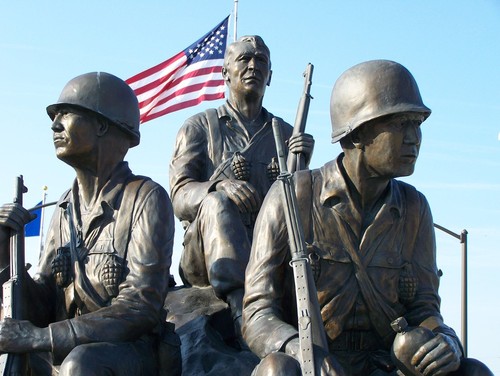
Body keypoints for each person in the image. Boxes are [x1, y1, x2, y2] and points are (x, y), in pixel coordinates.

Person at [242, 60, 493, 375]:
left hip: (386, 365)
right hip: (316, 364)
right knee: (276, 370)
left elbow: (424, 309)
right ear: (357, 132)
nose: (414, 137)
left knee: (472, 371)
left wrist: (446, 341)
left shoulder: (415, 208)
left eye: (417, 123)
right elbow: (257, 312)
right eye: (400, 124)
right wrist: (301, 349)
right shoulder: (292, 197)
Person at [0, 72, 180, 375]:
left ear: (100, 125)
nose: (55, 125)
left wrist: (43, 338)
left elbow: (140, 306)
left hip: (130, 352)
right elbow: (43, 303)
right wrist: (4, 251)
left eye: (66, 114)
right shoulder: (64, 207)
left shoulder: (147, 198)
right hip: (66, 350)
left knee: (80, 365)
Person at [169, 35, 314, 339]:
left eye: (261, 60)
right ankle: (242, 313)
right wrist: (218, 186)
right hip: (207, 254)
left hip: (268, 252)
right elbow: (179, 195)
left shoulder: (285, 133)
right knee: (216, 204)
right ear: (225, 73)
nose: (253, 66)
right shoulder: (199, 126)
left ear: (270, 76)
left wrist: (303, 171)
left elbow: (298, 209)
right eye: (244, 59)